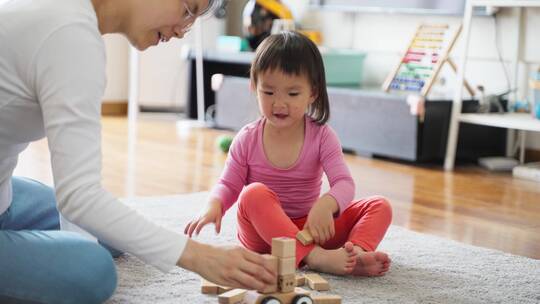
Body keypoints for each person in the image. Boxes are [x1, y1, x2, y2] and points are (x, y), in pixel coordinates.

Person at [0, 0, 277, 303]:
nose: (183, 31)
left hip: (5, 198)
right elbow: (79, 197)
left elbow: (78, 195)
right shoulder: (70, 36)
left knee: (112, 233)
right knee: (92, 270)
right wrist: (199, 256)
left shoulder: (71, 18)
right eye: (188, 10)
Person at [185, 31, 393, 277]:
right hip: (263, 238)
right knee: (252, 194)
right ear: (254, 86)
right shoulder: (247, 138)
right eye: (269, 92)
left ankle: (355, 254)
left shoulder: (322, 136)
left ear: (312, 93)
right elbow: (228, 184)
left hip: (309, 228)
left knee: (380, 206)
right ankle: (315, 257)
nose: (279, 103)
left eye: (292, 94)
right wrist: (214, 205)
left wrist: (326, 205)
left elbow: (344, 183)